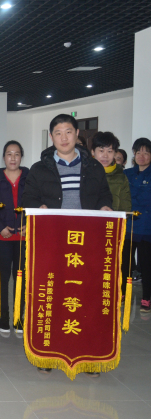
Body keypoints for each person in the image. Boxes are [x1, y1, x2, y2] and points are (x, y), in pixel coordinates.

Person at [23, 114, 112, 374]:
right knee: (52, 294)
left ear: (77, 134)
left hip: (87, 245)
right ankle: (48, 353)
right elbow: (27, 199)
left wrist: (105, 206)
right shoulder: (39, 169)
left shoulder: (94, 167)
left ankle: (88, 355)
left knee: (86, 296)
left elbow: (104, 195)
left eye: (69, 132)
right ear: (51, 137)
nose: (64, 138)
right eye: (58, 133)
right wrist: (37, 206)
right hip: (52, 243)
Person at [0, 141, 29, 338]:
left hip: (24, 237)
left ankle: (19, 318)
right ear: (4, 157)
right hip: (2, 237)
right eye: (9, 154)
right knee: (3, 278)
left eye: (17, 154)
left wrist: (29, 225)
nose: (13, 158)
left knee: (21, 278)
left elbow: (35, 203)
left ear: (21, 156)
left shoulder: (29, 176)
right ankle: (4, 318)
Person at [91, 132, 132, 296]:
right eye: (101, 150)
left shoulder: (121, 177)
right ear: (93, 152)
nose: (105, 155)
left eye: (110, 151)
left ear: (115, 153)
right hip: (89, 231)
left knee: (109, 269)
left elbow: (126, 205)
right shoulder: (85, 173)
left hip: (110, 232)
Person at [125, 138, 151, 313]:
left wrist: (136, 199)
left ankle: (146, 298)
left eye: (146, 152)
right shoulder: (126, 174)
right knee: (125, 264)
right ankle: (121, 294)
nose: (142, 156)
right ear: (134, 154)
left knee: (146, 265)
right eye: (138, 152)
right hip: (128, 226)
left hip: (147, 227)